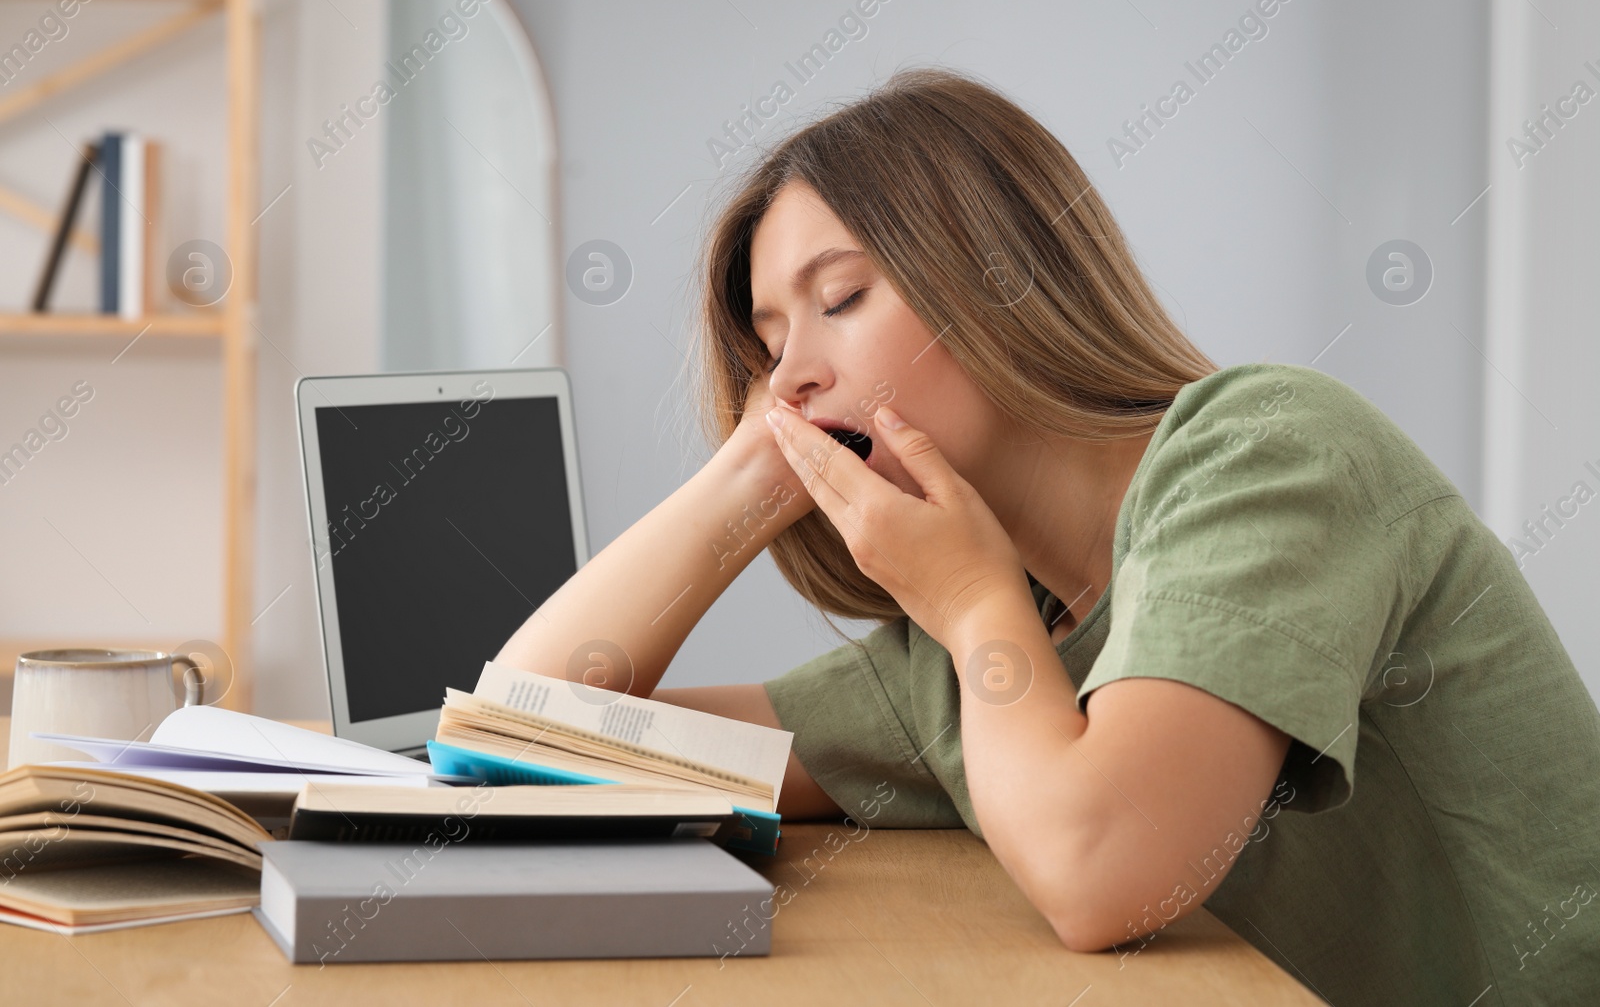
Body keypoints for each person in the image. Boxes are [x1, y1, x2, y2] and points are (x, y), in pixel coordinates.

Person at [496, 68, 1600, 1005]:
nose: (789, 377)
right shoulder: (973, 659)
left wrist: (974, 604)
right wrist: (747, 470)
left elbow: (1099, 869)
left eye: (839, 298)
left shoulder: (1269, 454)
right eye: (766, 345)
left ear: (998, 280)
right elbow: (526, 734)